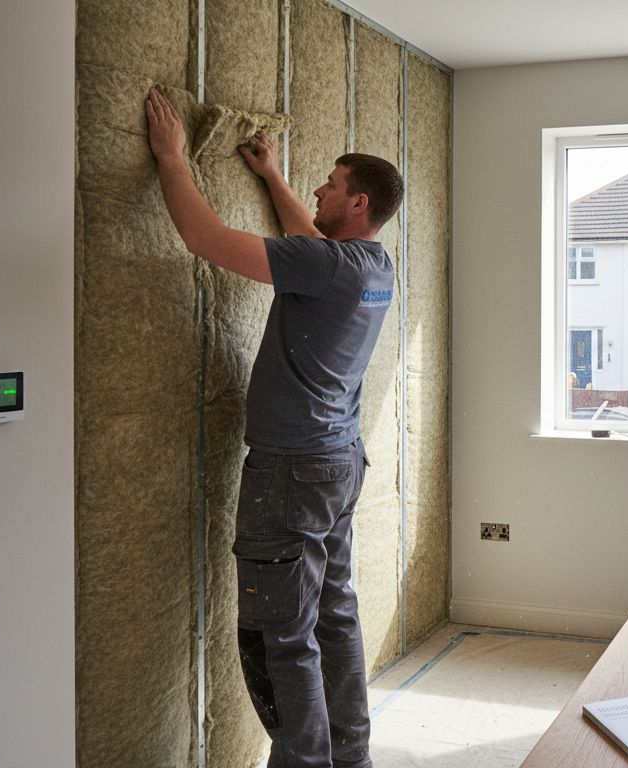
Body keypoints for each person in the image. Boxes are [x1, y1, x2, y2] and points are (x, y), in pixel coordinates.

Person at [146, 87, 403, 768]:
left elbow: (201, 238)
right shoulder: (372, 267)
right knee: (333, 615)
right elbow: (309, 241)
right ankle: (349, 758)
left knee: (277, 635)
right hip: (337, 463)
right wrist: (272, 177)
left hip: (292, 471)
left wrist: (172, 157)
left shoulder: (325, 266)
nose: (320, 188)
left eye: (333, 184)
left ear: (359, 205)